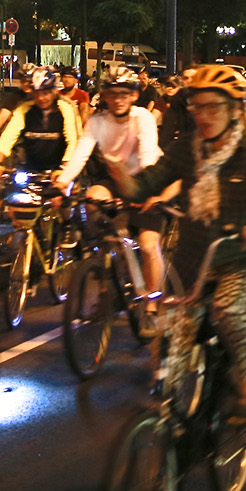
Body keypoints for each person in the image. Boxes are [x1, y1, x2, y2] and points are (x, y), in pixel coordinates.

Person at [109, 65, 246, 420]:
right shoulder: (187, 149)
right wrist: (119, 177)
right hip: (193, 258)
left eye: (213, 107)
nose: (204, 116)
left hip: (243, 256)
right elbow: (147, 183)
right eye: (197, 107)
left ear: (236, 109)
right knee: (169, 335)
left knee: (227, 310)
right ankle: (170, 418)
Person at [55, 70, 170, 328]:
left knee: (150, 245)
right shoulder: (97, 122)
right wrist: (63, 181)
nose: (118, 100)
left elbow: (149, 153)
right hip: (116, 179)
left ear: (133, 95)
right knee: (91, 200)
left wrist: (145, 192)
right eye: (111, 94)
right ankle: (108, 265)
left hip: (147, 178)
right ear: (104, 96)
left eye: (124, 94)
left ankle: (151, 305)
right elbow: (81, 154)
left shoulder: (143, 118)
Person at [0, 66, 80, 176]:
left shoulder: (65, 108)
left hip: (57, 169)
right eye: (37, 93)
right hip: (28, 169)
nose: (41, 98)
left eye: (45, 93)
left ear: (54, 91)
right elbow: (8, 135)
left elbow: (72, 139)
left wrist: (65, 167)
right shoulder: (25, 109)